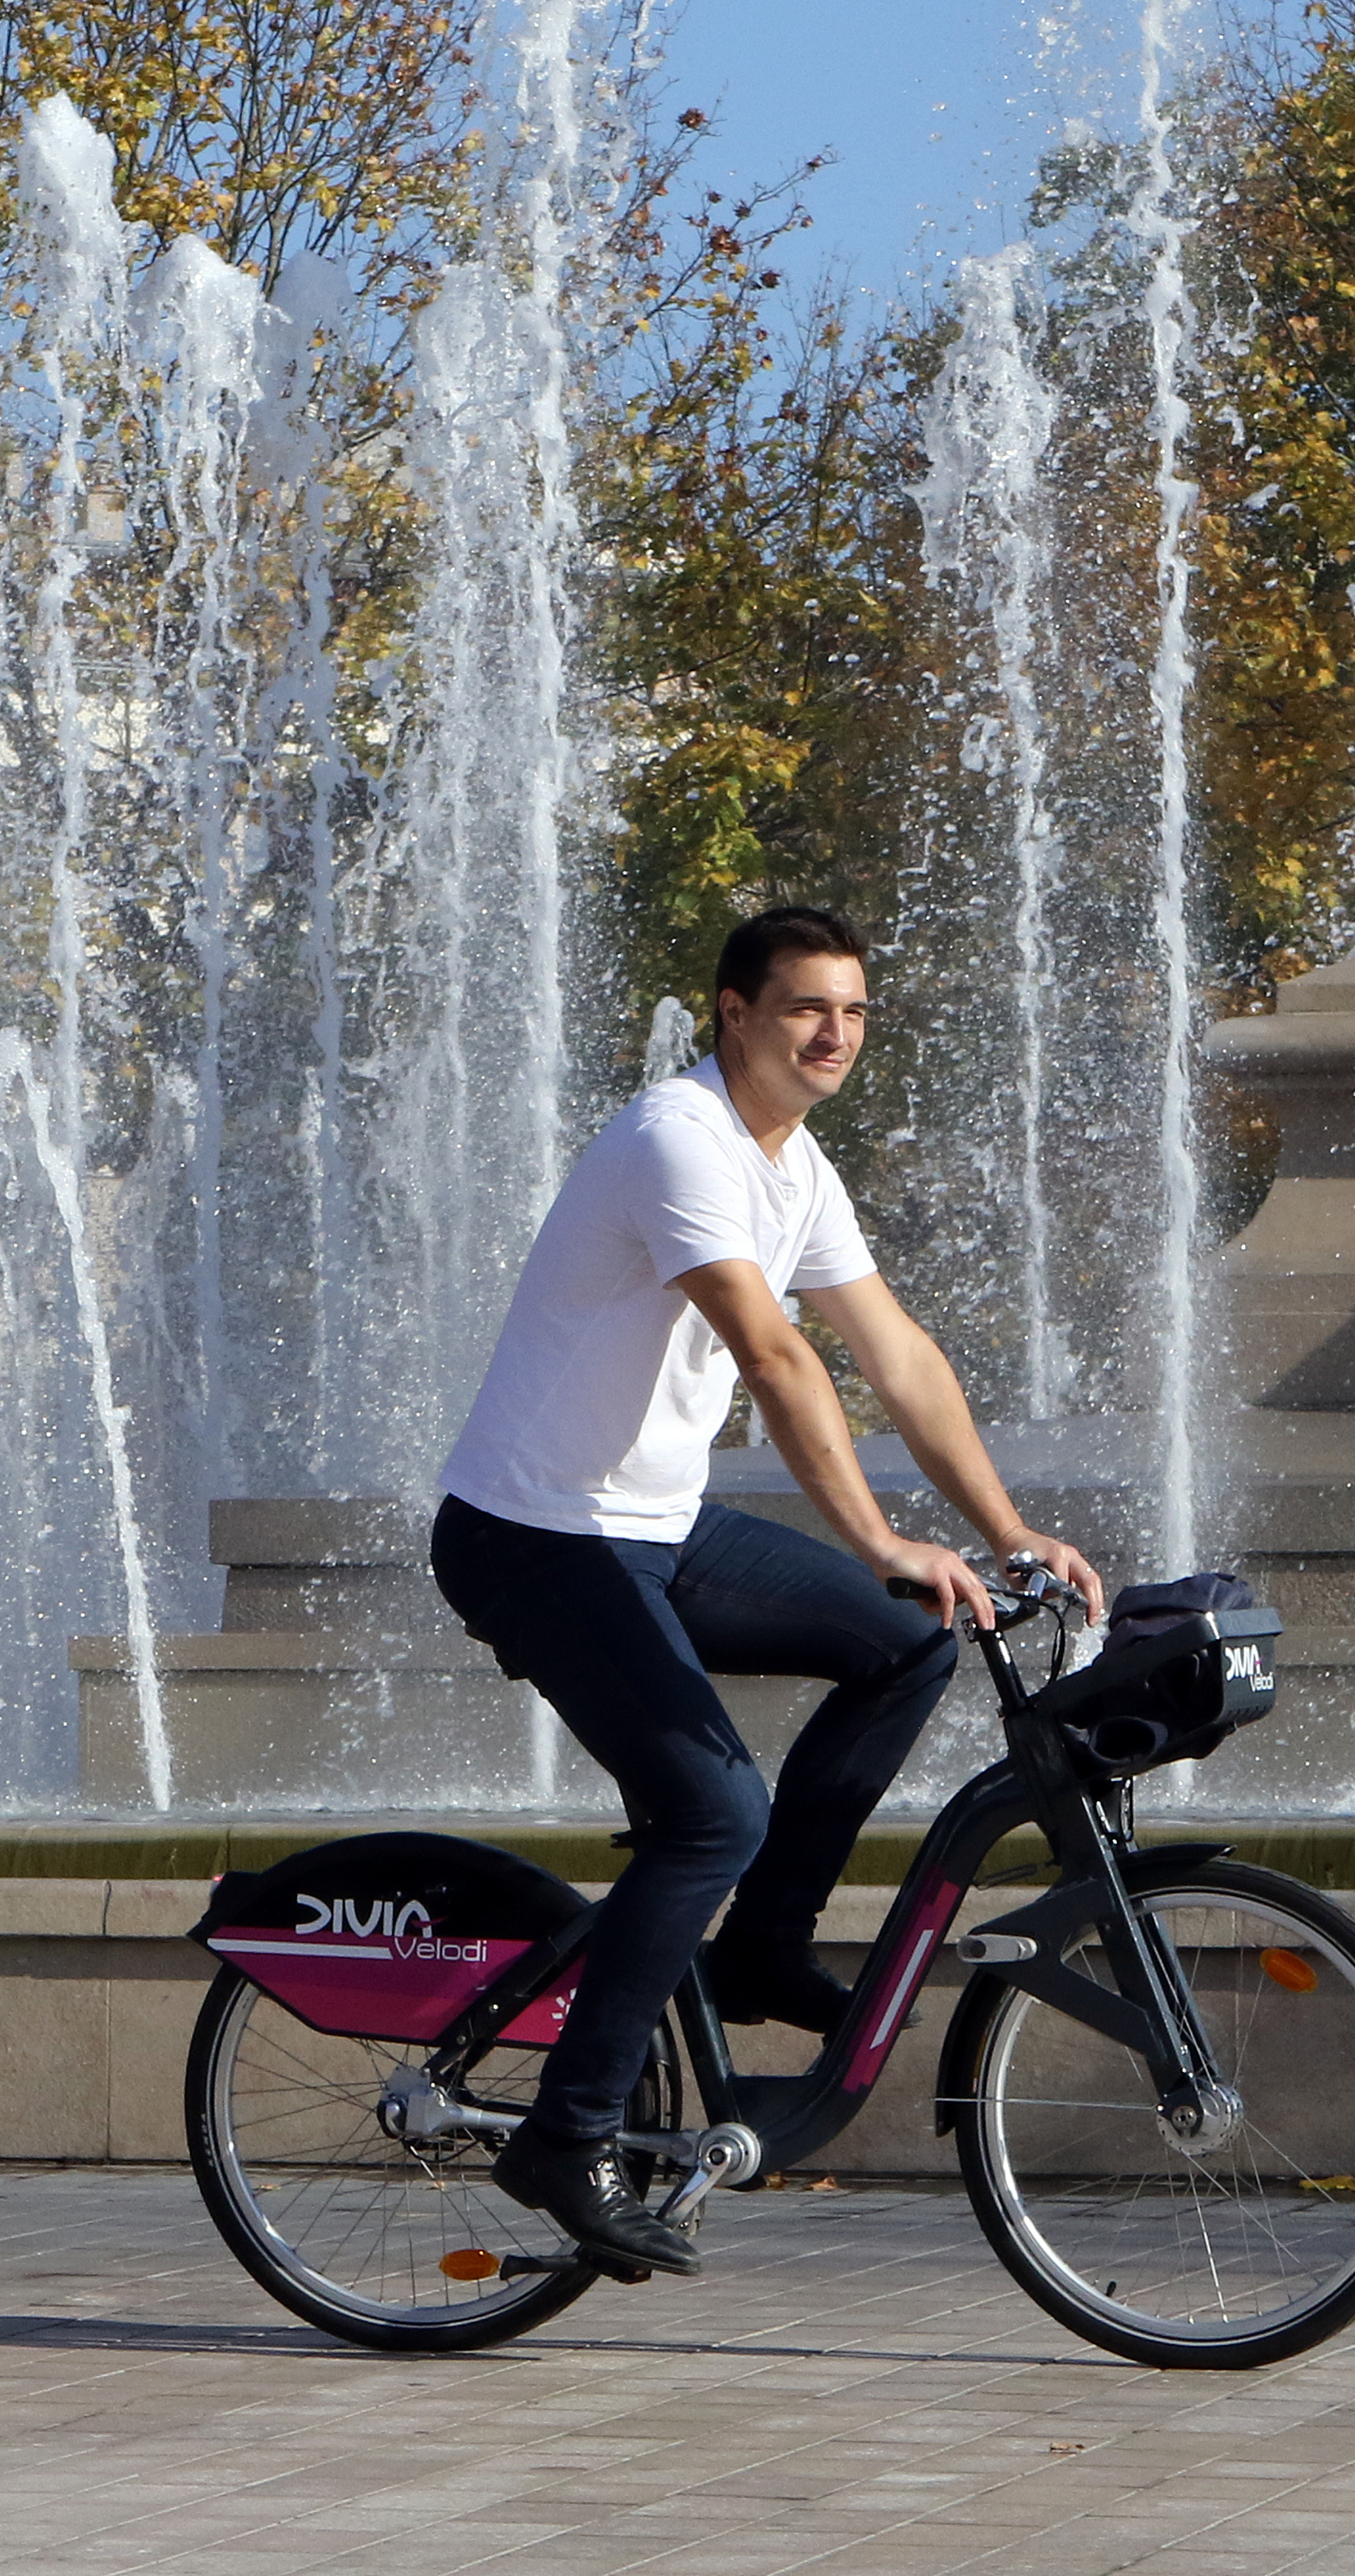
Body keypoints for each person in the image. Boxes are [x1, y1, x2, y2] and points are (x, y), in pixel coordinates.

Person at [436, 905, 1105, 2279]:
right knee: (712, 1810)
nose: (832, 1034)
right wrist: (875, 1537)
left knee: (915, 1640)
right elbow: (777, 1355)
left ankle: (759, 1953)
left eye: (852, 1011)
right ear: (729, 1010)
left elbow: (894, 1353)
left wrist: (1001, 1528)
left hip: (650, 1526)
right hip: (533, 1535)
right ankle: (564, 2132)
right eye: (804, 1006)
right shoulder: (675, 1139)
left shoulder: (792, 1163)